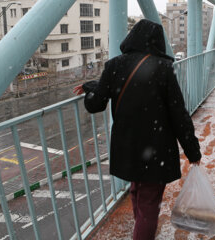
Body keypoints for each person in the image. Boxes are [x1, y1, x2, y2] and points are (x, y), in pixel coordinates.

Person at [73, 19, 201, 240]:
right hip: (156, 149)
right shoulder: (163, 69)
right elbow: (178, 114)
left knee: (136, 190)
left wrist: (90, 89)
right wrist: (193, 151)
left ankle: (140, 228)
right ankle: (142, 230)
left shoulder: (114, 66)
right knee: (149, 203)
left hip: (128, 148)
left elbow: (97, 103)